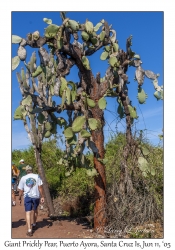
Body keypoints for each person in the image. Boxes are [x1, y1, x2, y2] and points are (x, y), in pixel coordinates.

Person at [18, 165, 44, 236]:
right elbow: (40, 187)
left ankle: (29, 230)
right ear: (32, 170)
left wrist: (19, 198)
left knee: (28, 212)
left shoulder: (23, 178)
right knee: (35, 210)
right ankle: (34, 224)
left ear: (26, 171)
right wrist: (42, 196)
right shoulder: (37, 176)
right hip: (36, 196)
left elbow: (21, 190)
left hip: (27, 197)